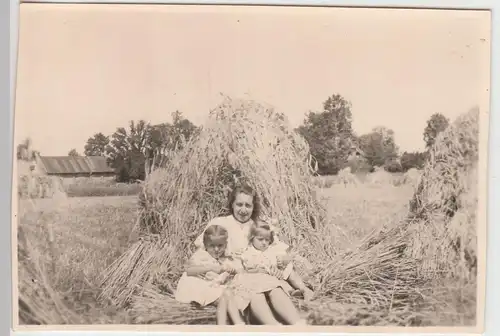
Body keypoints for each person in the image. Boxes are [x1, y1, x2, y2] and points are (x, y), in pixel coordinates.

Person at [193, 184, 313, 325]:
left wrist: (281, 260)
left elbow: (275, 248)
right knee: (254, 289)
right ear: (232, 204)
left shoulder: (256, 226)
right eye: (239, 204)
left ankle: (298, 323)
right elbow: (204, 248)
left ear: (253, 207)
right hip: (233, 273)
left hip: (258, 270)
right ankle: (274, 326)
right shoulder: (220, 223)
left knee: (274, 285)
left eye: (248, 206)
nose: (243, 210)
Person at [175, 225, 245, 325]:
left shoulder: (225, 258)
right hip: (197, 285)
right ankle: (237, 324)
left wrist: (232, 270)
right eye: (212, 246)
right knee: (225, 295)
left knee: (227, 293)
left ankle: (233, 324)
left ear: (225, 245)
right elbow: (189, 270)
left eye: (220, 246)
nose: (216, 249)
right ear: (205, 245)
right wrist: (210, 268)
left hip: (212, 287)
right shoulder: (201, 255)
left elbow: (237, 270)